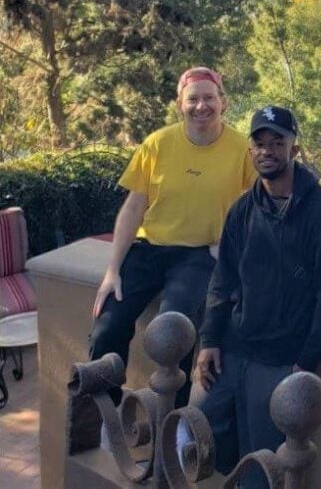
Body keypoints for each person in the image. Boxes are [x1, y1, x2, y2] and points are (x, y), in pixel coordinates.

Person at [192, 105, 321, 482]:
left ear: (294, 149)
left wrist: (307, 360)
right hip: (231, 351)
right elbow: (223, 278)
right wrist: (210, 339)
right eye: (259, 144)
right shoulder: (242, 210)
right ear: (251, 151)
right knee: (193, 431)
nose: (267, 151)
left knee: (261, 467)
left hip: (280, 360)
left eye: (277, 143)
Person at [90, 67, 257, 408]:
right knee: (107, 327)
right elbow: (134, 206)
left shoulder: (242, 148)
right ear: (179, 103)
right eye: (192, 99)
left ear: (222, 102)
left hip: (199, 257)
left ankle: (174, 425)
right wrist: (112, 270)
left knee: (175, 330)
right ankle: (106, 413)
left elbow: (257, 206)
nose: (201, 106)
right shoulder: (157, 144)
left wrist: (228, 250)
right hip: (150, 249)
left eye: (209, 98)